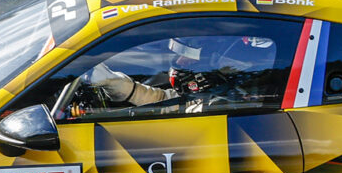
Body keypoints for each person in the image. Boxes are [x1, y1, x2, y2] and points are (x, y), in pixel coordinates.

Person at [75, 35, 277, 116]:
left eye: (189, 58)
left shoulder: (225, 109)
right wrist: (114, 82)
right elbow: (166, 101)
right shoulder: (216, 95)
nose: (179, 62)